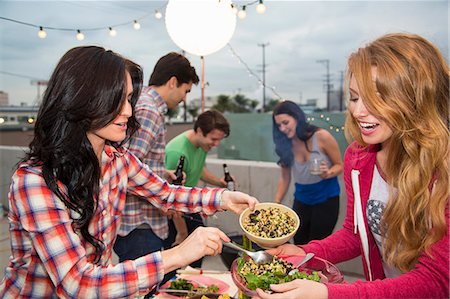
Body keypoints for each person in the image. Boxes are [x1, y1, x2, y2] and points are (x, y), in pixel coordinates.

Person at [0, 46, 259, 298]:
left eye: (128, 98)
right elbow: (79, 284)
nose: (128, 111)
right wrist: (178, 254)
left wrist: (222, 199)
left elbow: (165, 193)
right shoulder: (34, 182)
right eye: (117, 99)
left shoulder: (117, 159)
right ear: (82, 99)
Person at [255, 33, 449, 299]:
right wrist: (306, 253)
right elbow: (355, 234)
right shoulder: (358, 158)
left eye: (377, 98)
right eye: (355, 98)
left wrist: (328, 294)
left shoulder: (444, 170)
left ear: (416, 99)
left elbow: (437, 281)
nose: (358, 112)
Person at [113, 52, 200, 266]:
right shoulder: (149, 110)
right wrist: (164, 198)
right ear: (173, 82)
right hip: (139, 224)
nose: (184, 98)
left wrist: (163, 174)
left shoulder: (143, 103)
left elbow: (137, 163)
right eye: (185, 90)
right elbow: (127, 171)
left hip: (137, 224)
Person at [164, 109, 231, 267]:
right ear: (200, 131)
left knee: (199, 256)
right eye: (213, 139)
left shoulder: (200, 144)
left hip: (191, 207)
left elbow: (198, 169)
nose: (216, 145)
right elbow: (172, 198)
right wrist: (182, 233)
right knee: (176, 267)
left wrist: (220, 183)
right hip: (174, 215)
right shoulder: (177, 152)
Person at [272, 100, 343, 244]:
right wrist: (276, 203)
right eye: (279, 125)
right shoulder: (285, 145)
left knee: (318, 246)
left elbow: (339, 165)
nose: (282, 128)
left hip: (326, 199)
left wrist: (328, 173)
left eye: (286, 123)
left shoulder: (322, 136)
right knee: (299, 245)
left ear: (297, 118)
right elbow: (285, 178)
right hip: (301, 199)